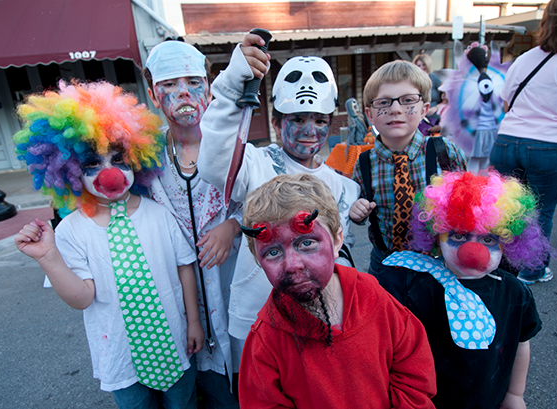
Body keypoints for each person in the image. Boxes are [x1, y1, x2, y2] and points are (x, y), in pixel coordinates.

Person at [12, 81, 203, 408]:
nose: (109, 174)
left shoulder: (159, 215)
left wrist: (194, 321)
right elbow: (82, 297)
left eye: (118, 158)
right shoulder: (72, 231)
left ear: (137, 156)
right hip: (121, 358)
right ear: (68, 170)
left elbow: (185, 266)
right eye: (91, 165)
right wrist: (49, 258)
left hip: (175, 344)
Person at [198, 33, 360, 341]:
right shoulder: (255, 165)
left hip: (316, 320)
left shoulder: (342, 187)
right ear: (276, 123)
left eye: (320, 120)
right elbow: (213, 160)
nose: (310, 131)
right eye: (297, 119)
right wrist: (234, 83)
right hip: (259, 320)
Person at [238, 173, 436, 408]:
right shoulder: (266, 340)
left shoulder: (377, 301)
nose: (292, 265)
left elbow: (414, 374)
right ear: (258, 260)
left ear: (337, 240)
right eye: (272, 252)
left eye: (307, 243)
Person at [381, 171, 548, 408]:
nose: (473, 252)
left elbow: (521, 343)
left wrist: (515, 394)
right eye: (458, 235)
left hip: (489, 398)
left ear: (509, 242)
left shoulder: (514, 292)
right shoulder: (419, 288)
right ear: (437, 236)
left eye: (489, 240)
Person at [142, 40, 242, 407]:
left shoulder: (235, 146)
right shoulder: (143, 159)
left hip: (231, 281)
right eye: (169, 84)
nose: (183, 92)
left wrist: (232, 226)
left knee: (242, 376)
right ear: (154, 94)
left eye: (193, 81)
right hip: (178, 293)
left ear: (209, 88)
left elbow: (263, 202)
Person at [349, 60, 466, 299]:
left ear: (424, 109)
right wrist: (356, 211)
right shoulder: (363, 164)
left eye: (407, 100)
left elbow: (468, 204)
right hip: (385, 263)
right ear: (370, 114)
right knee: (389, 325)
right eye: (384, 102)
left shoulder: (446, 153)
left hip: (437, 261)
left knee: (434, 325)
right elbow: (359, 208)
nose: (395, 109)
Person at [490, 0, 557, 284]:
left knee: (505, 207)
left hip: (507, 142)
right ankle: (532, 269)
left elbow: (506, 102)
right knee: (541, 211)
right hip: (550, 145)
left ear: (543, 23)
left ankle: (499, 262)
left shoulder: (524, 59)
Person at [439, 41, 510, 174]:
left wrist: (446, 131)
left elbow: (455, 113)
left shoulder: (462, 85)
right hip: (493, 131)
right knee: (487, 169)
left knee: (468, 168)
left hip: (469, 132)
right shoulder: (498, 82)